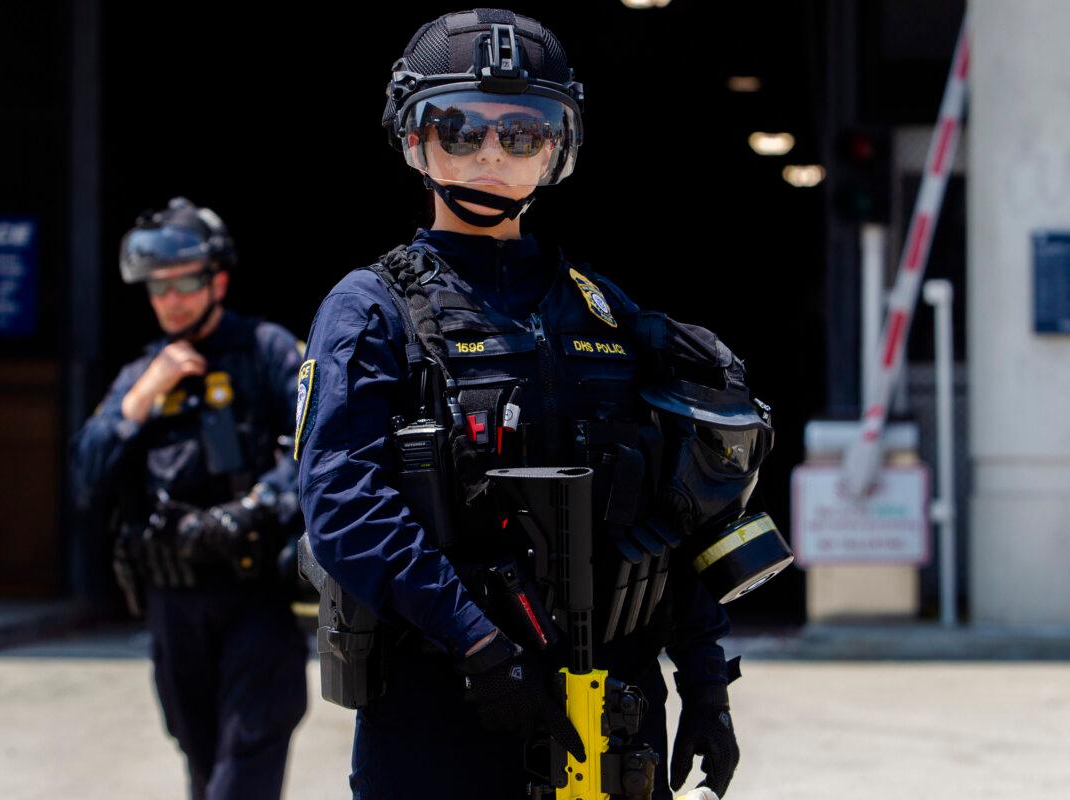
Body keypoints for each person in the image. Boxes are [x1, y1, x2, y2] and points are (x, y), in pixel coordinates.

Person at [297, 10, 766, 799]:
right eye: (459, 129)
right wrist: (479, 645)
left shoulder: (605, 313)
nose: (490, 154)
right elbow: (341, 503)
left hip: (612, 702)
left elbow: (679, 509)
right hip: (443, 702)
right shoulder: (371, 308)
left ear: (558, 148)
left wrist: (705, 680)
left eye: (521, 133)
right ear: (414, 141)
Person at [71, 197, 307, 800]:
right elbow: (86, 472)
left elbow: (319, 448)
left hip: (253, 594)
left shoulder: (268, 350)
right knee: (199, 758)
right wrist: (143, 396)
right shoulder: (145, 371)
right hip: (172, 602)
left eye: (185, 284)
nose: (171, 300)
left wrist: (253, 509)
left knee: (248, 753)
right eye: (158, 289)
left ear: (217, 280)